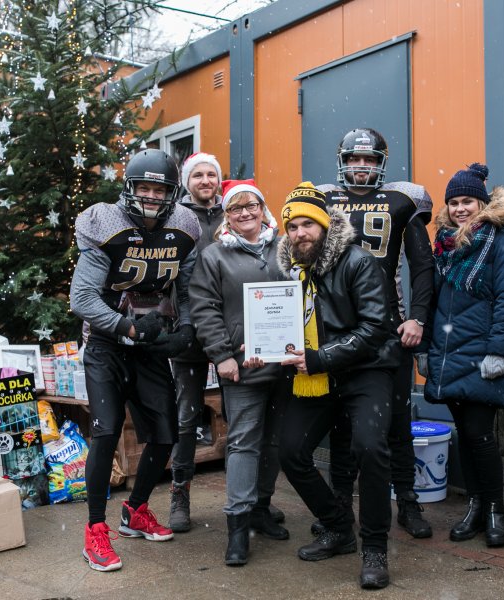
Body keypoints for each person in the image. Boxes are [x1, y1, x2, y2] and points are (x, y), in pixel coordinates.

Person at [70, 149, 201, 572]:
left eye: (158, 188)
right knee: (106, 431)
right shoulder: (104, 223)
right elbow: (83, 298)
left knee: (166, 432)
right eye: (142, 186)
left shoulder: (184, 224)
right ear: (128, 188)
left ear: (171, 192)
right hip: (108, 343)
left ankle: (136, 510)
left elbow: (192, 285)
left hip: (149, 343)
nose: (149, 195)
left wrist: (187, 329)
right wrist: (125, 327)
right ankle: (95, 530)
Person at [272, 182, 399, 589]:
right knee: (290, 451)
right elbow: (279, 323)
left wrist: (319, 357)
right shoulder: (290, 269)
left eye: (308, 224)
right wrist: (262, 344)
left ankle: (375, 546)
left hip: (367, 370)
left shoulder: (358, 262)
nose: (299, 233)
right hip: (318, 374)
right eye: (292, 227)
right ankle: (338, 525)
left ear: (325, 226)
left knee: (369, 447)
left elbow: (376, 328)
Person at [317, 128, 435, 539]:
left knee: (398, 421)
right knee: (342, 425)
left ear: (381, 162)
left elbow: (422, 265)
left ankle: (407, 501)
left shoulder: (402, 200)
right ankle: (338, 508)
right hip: (336, 327)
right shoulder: (323, 198)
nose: (362, 166)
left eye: (369, 159)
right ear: (342, 161)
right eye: (354, 159)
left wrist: (417, 317)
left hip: (388, 327)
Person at [422, 163, 504, 548]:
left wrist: (498, 352)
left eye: (467, 201)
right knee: (464, 435)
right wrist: (425, 349)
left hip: (482, 356)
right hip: (449, 355)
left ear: (482, 203)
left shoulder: (502, 244)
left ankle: (497, 511)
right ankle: (476, 507)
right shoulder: (445, 247)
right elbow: (432, 302)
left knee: (481, 435)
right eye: (453, 202)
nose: (460, 208)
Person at [189, 179, 291, 566]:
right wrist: (223, 355)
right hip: (241, 367)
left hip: (286, 364)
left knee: (277, 441)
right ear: (226, 217)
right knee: (244, 443)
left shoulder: (286, 248)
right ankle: (237, 525)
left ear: (264, 209)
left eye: (253, 206)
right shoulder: (214, 256)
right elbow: (204, 309)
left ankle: (261, 508)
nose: (246, 213)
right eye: (236, 208)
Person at [167, 152, 224, 533]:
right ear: (187, 181)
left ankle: (251, 501)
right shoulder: (176, 218)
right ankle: (179, 495)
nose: (206, 180)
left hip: (229, 328)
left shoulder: (236, 211)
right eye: (198, 175)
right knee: (186, 416)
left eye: (211, 175)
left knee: (239, 416)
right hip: (188, 329)